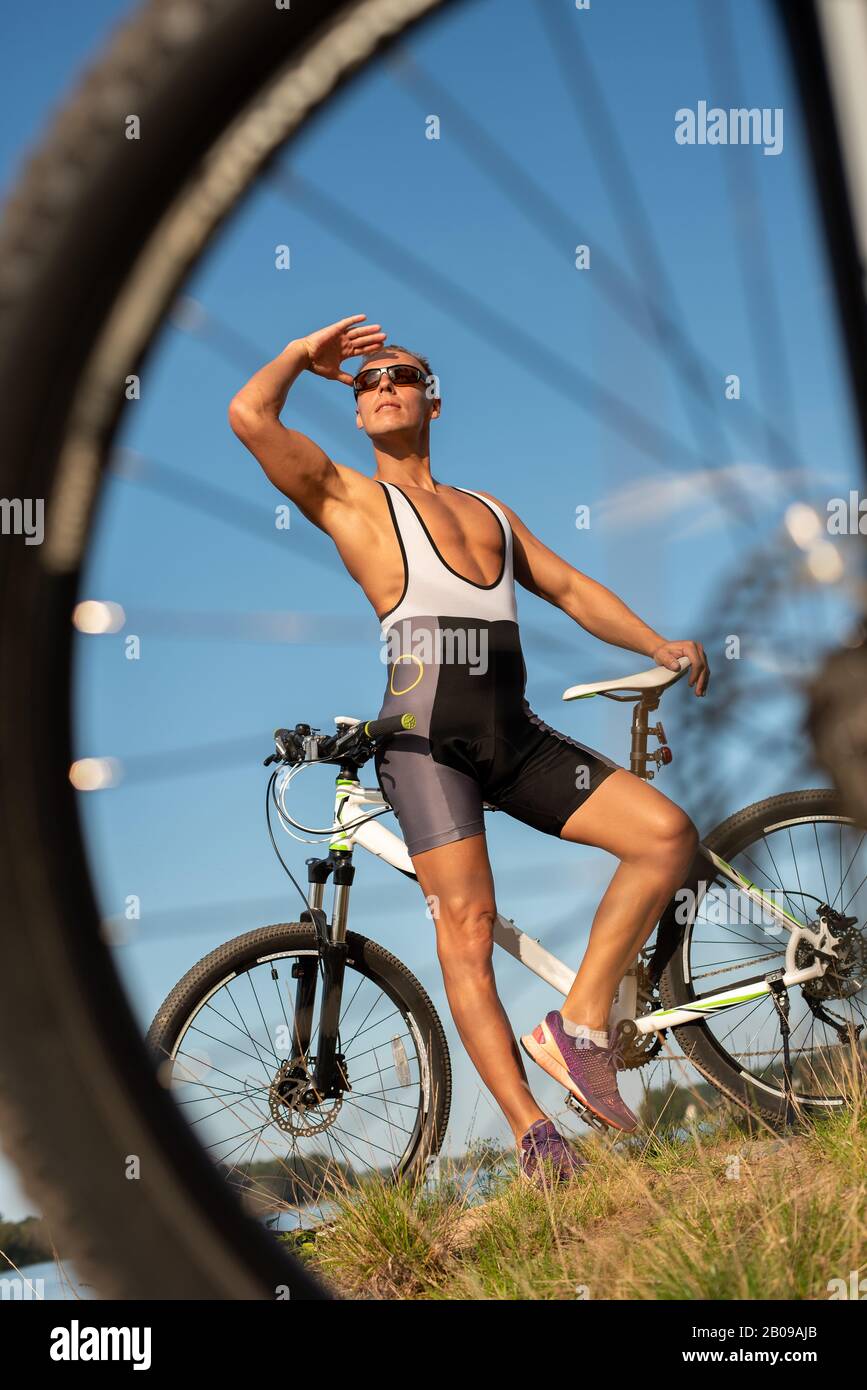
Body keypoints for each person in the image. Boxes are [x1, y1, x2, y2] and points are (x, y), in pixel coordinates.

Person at [228, 315, 710, 1186]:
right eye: (367, 382)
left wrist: (655, 643)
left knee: (665, 836)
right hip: (424, 745)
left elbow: (565, 586)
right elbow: (251, 417)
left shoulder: (490, 512)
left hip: (513, 735)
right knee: (468, 928)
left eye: (400, 376)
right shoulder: (347, 497)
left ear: (431, 401)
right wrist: (305, 355)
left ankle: (580, 1025)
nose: (380, 387)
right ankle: (534, 1137)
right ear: (355, 405)